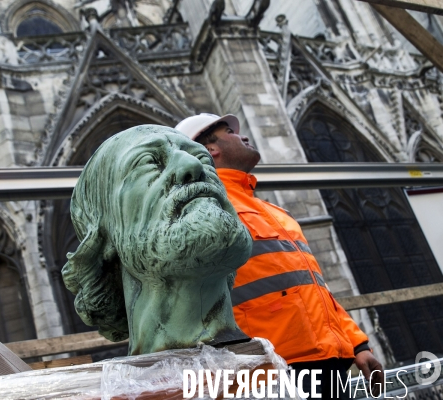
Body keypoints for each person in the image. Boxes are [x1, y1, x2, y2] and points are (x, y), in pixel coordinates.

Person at [176, 114, 384, 399]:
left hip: (327, 363)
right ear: (211, 150)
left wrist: (357, 345)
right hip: (273, 372)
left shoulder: (274, 213)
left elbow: (315, 290)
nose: (243, 136)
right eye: (229, 131)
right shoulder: (205, 210)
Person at [62, 124, 253, 355]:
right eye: (147, 162)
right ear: (102, 234)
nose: (194, 165)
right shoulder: (136, 390)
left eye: (202, 157)